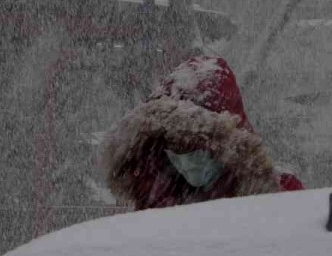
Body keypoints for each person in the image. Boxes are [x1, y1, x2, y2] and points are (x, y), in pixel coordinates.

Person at [103, 55, 303, 211]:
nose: (187, 160)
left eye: (199, 148)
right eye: (175, 148)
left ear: (231, 146)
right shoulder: (154, 201)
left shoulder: (282, 196)